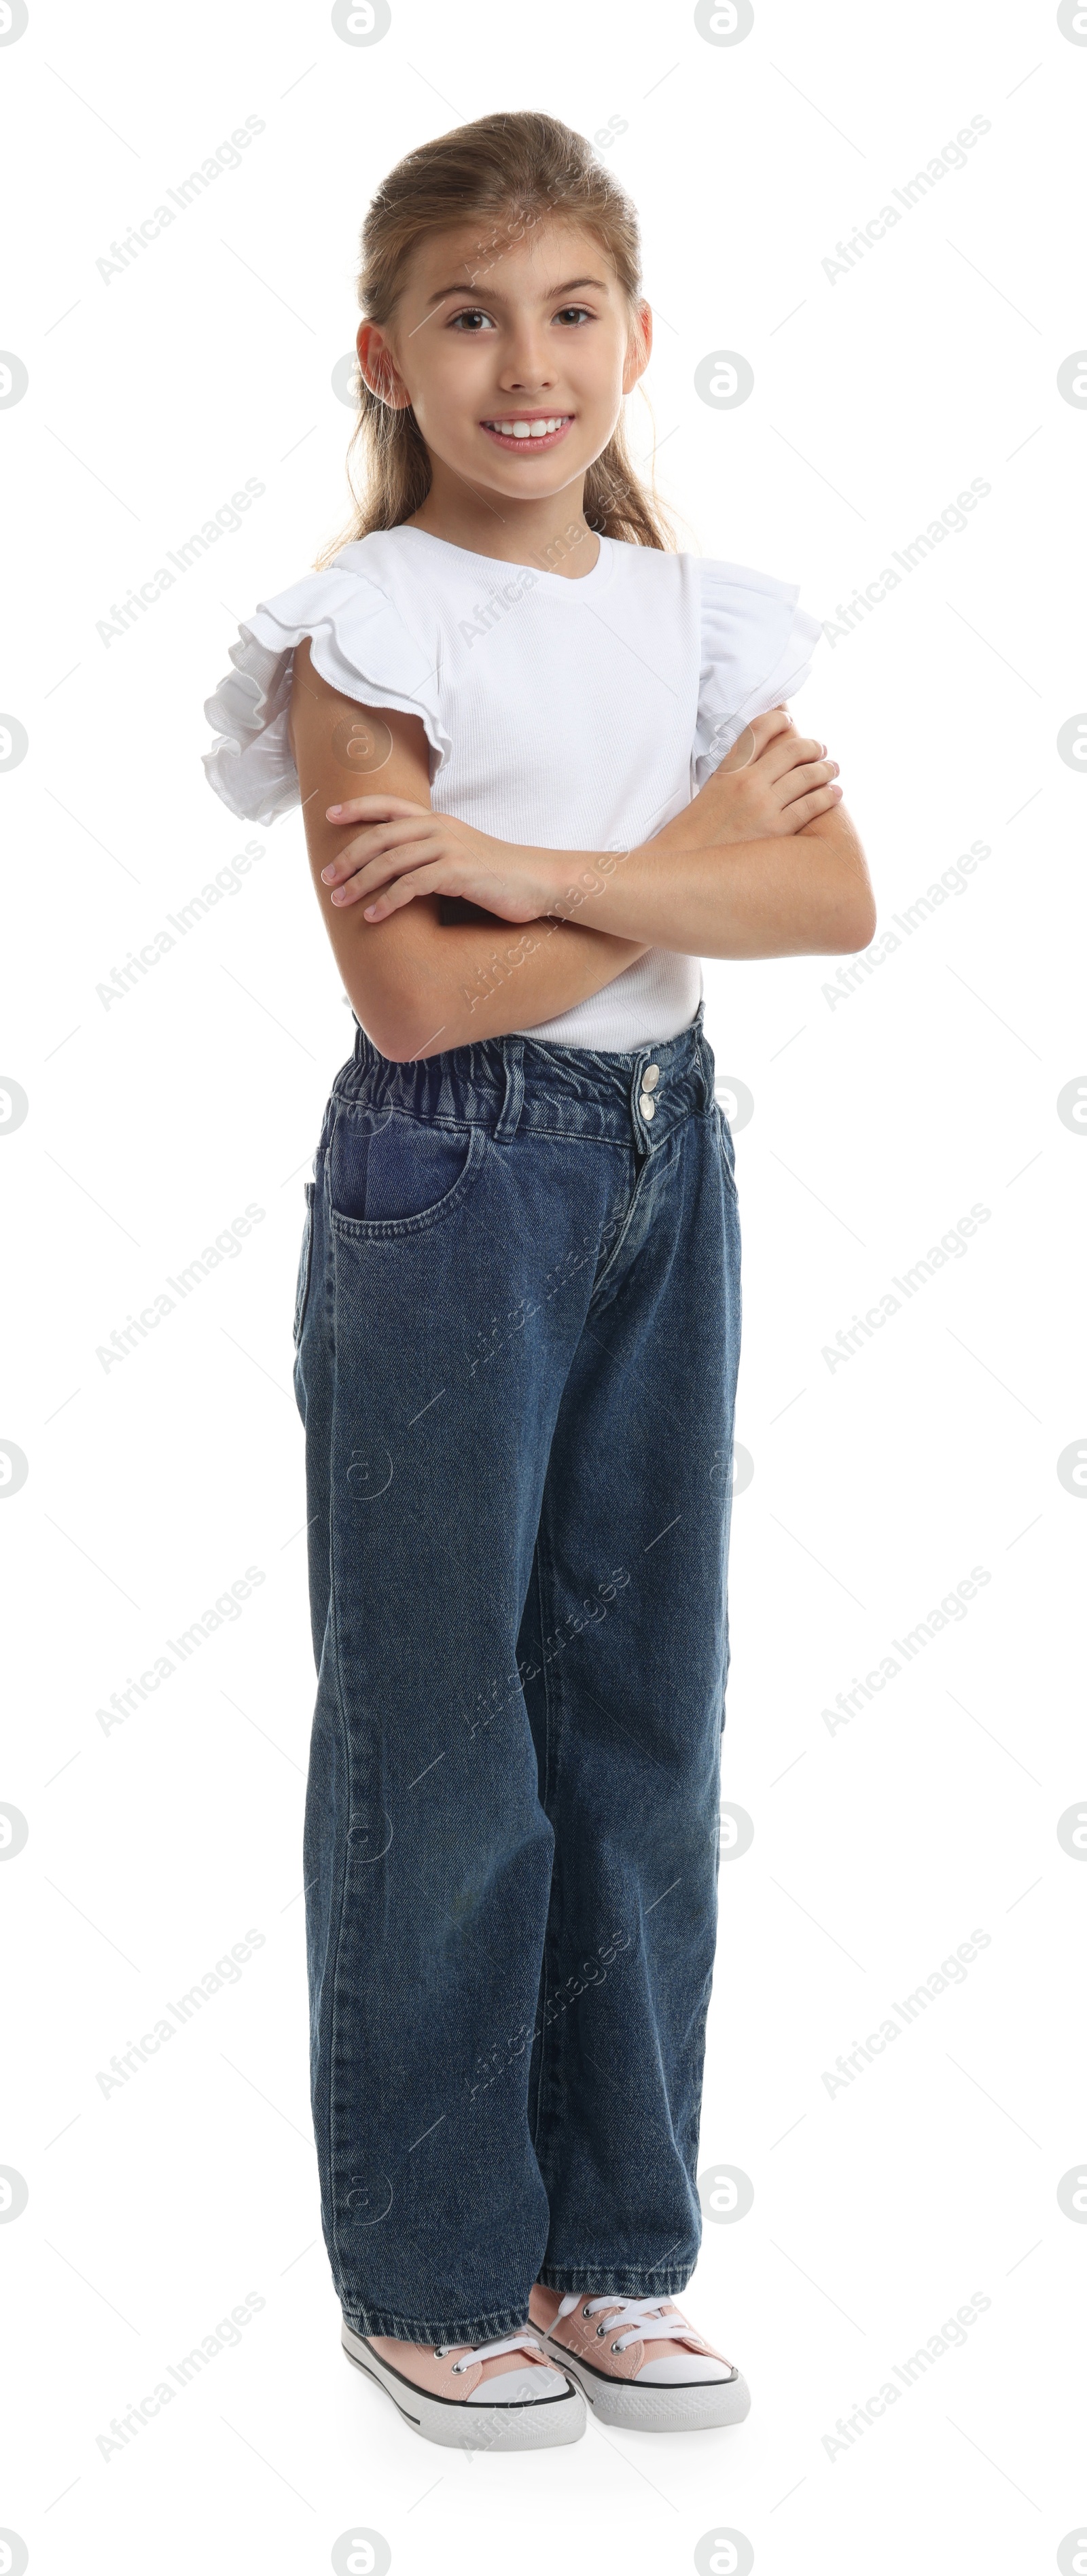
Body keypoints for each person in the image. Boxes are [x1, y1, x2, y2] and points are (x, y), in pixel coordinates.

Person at [203, 109, 874, 2452]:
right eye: (471, 317)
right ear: (385, 355)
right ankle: (430, 2266)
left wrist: (516, 861)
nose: (527, 364)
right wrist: (674, 863)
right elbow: (413, 1001)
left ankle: (609, 2251)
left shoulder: (706, 621)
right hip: (445, 1194)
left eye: (571, 313)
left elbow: (833, 903)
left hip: (665, 1173)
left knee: (641, 1720)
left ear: (639, 339)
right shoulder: (362, 627)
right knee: (441, 1731)